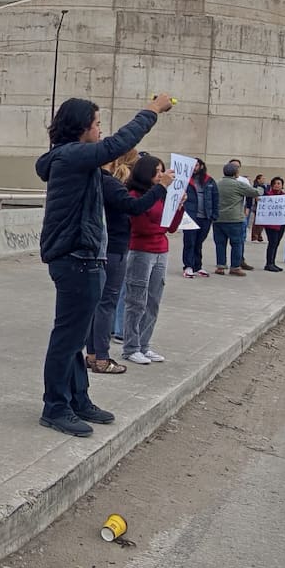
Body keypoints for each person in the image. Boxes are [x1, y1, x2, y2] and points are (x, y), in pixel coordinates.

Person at [36, 94, 174, 436]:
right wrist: (153, 110)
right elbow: (119, 143)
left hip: (88, 258)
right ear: (82, 127)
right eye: (97, 123)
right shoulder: (71, 156)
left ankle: (78, 399)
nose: (101, 130)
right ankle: (55, 407)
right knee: (67, 338)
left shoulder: (84, 167)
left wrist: (159, 190)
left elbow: (127, 203)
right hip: (75, 258)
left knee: (77, 338)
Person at [86, 150, 171, 373]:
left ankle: (95, 354)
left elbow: (166, 224)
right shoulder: (114, 187)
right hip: (115, 249)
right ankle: (102, 357)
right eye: (157, 172)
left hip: (111, 248)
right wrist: (162, 188)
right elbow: (136, 212)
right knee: (110, 303)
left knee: (108, 303)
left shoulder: (99, 183)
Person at [122, 155, 183, 364]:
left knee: (153, 300)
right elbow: (142, 227)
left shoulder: (161, 195)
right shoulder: (135, 196)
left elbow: (172, 226)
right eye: (157, 172)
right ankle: (131, 346)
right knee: (136, 300)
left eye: (162, 171)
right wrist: (162, 228)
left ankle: (144, 344)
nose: (161, 176)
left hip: (161, 251)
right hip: (142, 250)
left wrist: (179, 207)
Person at [214, 161, 263, 276]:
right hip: (234, 219)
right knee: (237, 243)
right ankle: (235, 267)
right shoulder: (238, 184)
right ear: (236, 173)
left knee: (220, 244)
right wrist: (259, 187)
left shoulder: (217, 183)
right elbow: (255, 192)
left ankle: (220, 267)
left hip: (218, 219)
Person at [181, 158, 218, 278]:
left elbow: (215, 198)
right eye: (192, 165)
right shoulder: (185, 181)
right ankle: (188, 266)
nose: (194, 168)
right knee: (189, 241)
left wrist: (214, 215)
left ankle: (198, 265)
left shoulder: (209, 181)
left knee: (199, 242)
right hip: (190, 216)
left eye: (196, 165)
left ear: (201, 166)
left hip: (205, 217)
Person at [262, 176, 285, 272]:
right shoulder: (268, 196)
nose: (277, 185)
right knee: (272, 243)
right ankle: (268, 263)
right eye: (275, 183)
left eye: (279, 184)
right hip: (271, 224)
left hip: (281, 224)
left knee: (276, 243)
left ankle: (273, 262)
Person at [250, 174, 267, 242]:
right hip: (257, 206)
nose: (264, 180)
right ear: (258, 179)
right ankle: (254, 236)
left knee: (262, 222)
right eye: (262, 179)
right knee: (256, 221)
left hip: (263, 206)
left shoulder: (264, 187)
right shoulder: (256, 187)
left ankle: (259, 235)